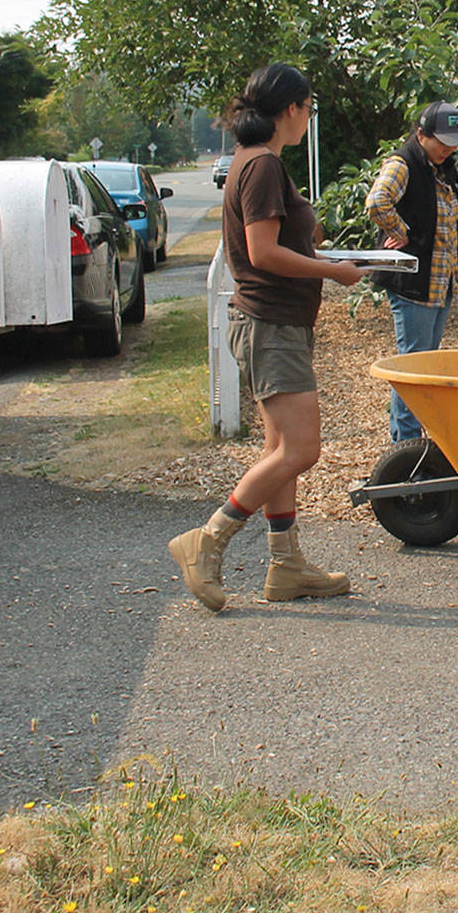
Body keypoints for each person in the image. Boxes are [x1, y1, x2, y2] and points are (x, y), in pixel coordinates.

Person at [167, 64, 367, 613]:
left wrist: (322, 248)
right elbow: (262, 253)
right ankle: (207, 540)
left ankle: (286, 566)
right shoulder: (261, 166)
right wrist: (332, 272)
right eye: (309, 107)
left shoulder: (255, 161)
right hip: (269, 326)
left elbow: (281, 241)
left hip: (275, 323)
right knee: (302, 449)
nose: (309, 117)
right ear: (291, 109)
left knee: (280, 451)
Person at [366, 100, 458, 443]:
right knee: (412, 368)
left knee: (423, 367)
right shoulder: (403, 164)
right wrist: (401, 232)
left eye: (453, 143)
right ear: (420, 134)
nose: (448, 149)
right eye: (442, 142)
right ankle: (406, 447)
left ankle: (410, 443)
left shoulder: (445, 168)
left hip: (440, 285)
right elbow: (377, 202)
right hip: (413, 285)